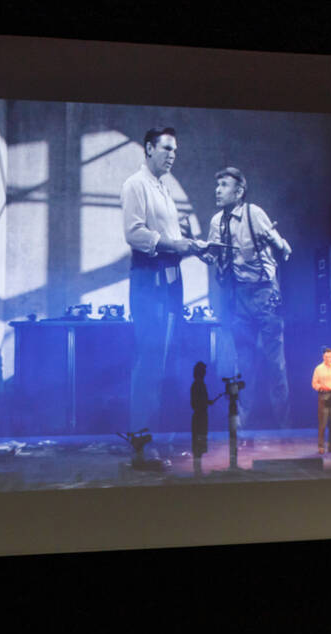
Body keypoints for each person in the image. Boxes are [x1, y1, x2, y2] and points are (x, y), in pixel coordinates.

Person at [121, 126, 200, 432]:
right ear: (149, 148)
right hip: (148, 280)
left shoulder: (164, 190)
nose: (172, 156)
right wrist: (175, 245)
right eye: (167, 149)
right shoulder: (135, 185)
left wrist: (194, 246)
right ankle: (141, 440)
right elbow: (134, 233)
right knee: (149, 360)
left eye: (175, 151)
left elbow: (174, 242)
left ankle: (147, 436)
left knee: (160, 362)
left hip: (169, 281)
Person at [208, 167, 292, 429]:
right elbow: (214, 256)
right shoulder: (216, 222)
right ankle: (241, 431)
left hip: (265, 295)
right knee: (244, 366)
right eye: (217, 184)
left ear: (239, 191)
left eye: (224, 185)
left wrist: (280, 245)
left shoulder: (253, 213)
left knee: (275, 365)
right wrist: (205, 254)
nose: (218, 190)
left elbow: (283, 247)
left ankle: (285, 429)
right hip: (238, 299)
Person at [190, 361, 223, 476]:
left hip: (201, 416)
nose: (206, 372)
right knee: (198, 442)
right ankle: (197, 470)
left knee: (200, 441)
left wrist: (207, 402)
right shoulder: (198, 384)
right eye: (204, 370)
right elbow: (195, 403)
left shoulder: (199, 384)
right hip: (200, 417)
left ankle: (198, 469)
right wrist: (205, 403)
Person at [311, 347, 331, 454]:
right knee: (323, 423)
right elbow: (314, 383)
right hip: (323, 396)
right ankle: (321, 446)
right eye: (326, 357)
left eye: (330, 356)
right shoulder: (318, 368)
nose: (328, 358)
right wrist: (321, 387)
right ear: (323, 357)